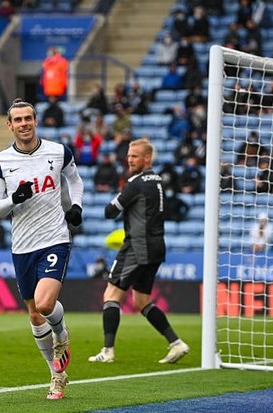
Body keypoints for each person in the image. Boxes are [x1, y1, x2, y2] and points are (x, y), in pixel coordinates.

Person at [0, 98, 83, 400]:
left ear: (35, 120)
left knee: (44, 304)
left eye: (28, 118)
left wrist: (76, 206)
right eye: (18, 120)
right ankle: (57, 375)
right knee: (34, 314)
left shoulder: (58, 151)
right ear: (10, 125)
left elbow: (75, 181)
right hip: (23, 245)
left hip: (55, 238)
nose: (24, 124)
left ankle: (62, 335)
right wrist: (14, 199)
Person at [88, 138, 190, 365]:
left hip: (137, 246)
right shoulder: (158, 181)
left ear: (147, 158)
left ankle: (108, 351)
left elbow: (109, 211)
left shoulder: (136, 183)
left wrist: (117, 198)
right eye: (129, 155)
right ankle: (176, 343)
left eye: (134, 156)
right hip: (156, 246)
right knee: (142, 301)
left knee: (111, 295)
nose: (129, 159)